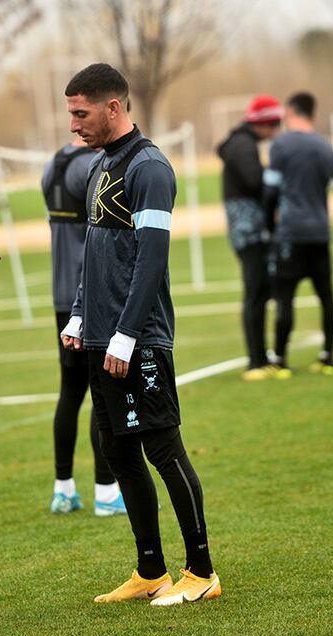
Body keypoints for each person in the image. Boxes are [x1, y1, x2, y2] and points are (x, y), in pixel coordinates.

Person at [60, 63, 221, 606]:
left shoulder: (150, 167)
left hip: (140, 336)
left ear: (113, 107)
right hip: (102, 336)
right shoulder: (98, 165)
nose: (73, 125)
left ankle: (201, 572)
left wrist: (128, 334)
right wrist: (82, 316)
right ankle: (150, 570)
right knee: (118, 449)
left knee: (163, 448)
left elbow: (153, 258)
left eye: (81, 113)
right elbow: (93, 251)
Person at [41, 135, 126, 516]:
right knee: (100, 393)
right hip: (87, 295)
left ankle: (63, 490)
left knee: (70, 392)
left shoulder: (52, 165)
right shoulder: (88, 168)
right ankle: (107, 493)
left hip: (62, 296)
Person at [263, 92, 333, 376]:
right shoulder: (324, 146)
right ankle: (328, 356)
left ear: (290, 111)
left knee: (286, 297)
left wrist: (270, 226)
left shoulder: (282, 145)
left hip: (291, 232)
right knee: (326, 296)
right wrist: (329, 190)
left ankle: (280, 359)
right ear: (313, 113)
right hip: (319, 232)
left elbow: (270, 191)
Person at [217, 95, 283, 381]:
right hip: (249, 230)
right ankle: (255, 360)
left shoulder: (241, 143)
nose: (276, 131)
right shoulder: (242, 145)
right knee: (255, 292)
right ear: (263, 123)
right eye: (274, 124)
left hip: (248, 229)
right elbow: (255, 181)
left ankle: (260, 356)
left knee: (259, 291)